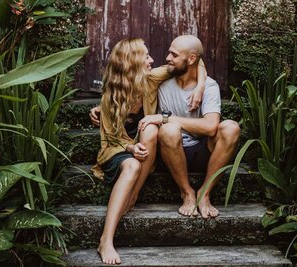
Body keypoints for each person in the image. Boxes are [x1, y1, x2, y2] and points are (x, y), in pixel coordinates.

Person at [91, 38, 206, 265]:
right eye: (146, 56)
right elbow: (111, 140)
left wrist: (201, 86)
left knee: (152, 126)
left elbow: (195, 62)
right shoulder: (110, 97)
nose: (152, 60)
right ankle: (106, 239)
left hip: (145, 148)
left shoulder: (151, 81)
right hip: (117, 150)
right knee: (131, 164)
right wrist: (131, 147)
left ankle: (134, 194)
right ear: (131, 62)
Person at [138, 35, 241, 219]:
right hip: (170, 150)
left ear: (191, 59)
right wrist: (102, 107)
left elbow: (211, 127)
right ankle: (187, 192)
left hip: (202, 149)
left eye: (174, 54)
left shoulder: (208, 86)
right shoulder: (159, 81)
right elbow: (124, 86)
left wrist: (165, 118)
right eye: (169, 52)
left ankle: (205, 193)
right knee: (168, 130)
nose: (168, 57)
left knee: (231, 127)